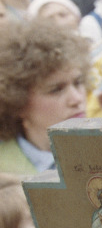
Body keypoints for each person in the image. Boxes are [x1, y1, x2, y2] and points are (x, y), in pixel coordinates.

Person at [0, 20, 89, 174]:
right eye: (56, 90)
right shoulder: (4, 170)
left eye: (78, 82)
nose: (76, 99)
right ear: (17, 103)